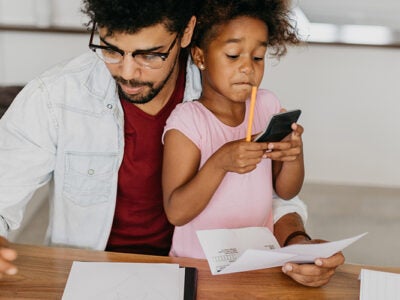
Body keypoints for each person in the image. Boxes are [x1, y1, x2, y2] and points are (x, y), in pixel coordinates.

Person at [0, 0, 343, 287]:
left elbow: (268, 192)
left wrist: (297, 244)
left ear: (187, 33)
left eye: (150, 55)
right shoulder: (55, 96)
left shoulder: (224, 88)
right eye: (111, 49)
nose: (129, 72)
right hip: (93, 274)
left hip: (201, 271)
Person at [162, 0, 305, 259]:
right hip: (197, 264)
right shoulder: (188, 121)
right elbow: (176, 212)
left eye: (258, 57)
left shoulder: (267, 105)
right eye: (232, 55)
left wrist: (294, 156)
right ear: (200, 56)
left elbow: (286, 191)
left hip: (258, 258)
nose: (248, 67)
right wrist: (220, 162)